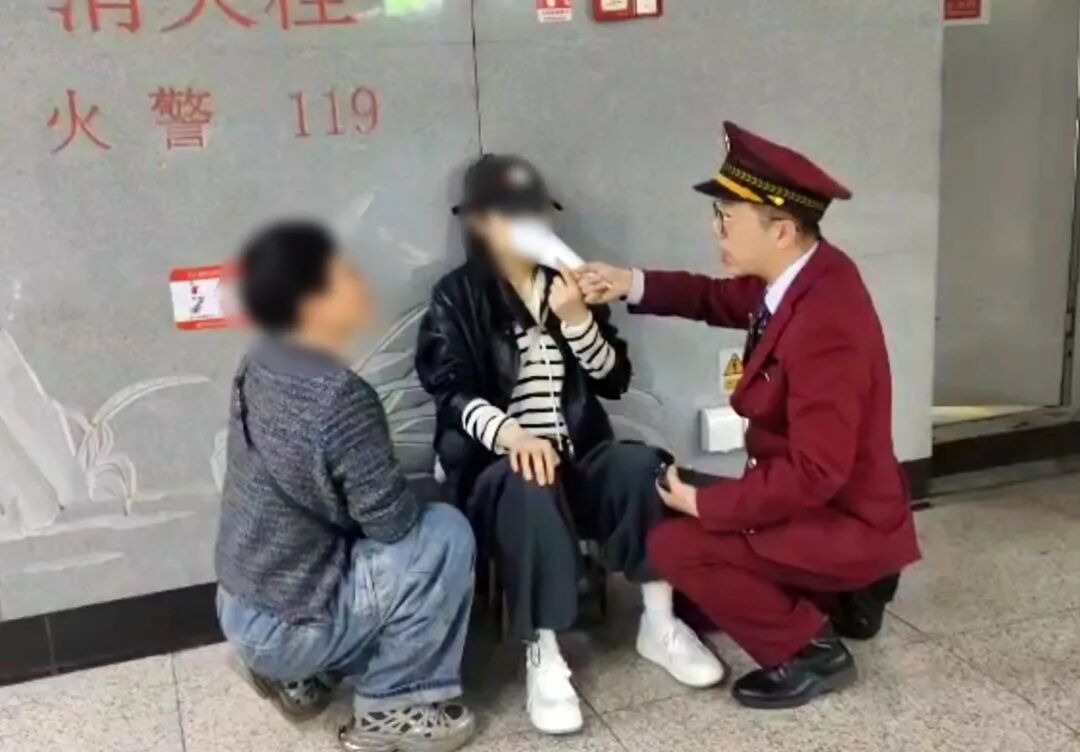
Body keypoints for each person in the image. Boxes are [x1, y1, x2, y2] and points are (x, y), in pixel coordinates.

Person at [576, 122, 921, 710]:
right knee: (695, 577)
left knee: (675, 546)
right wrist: (627, 283)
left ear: (781, 230)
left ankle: (811, 652)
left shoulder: (825, 323)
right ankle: (838, 598)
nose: (716, 230)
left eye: (727, 218)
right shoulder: (807, 276)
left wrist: (707, 506)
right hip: (826, 508)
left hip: (844, 521)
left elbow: (816, 472)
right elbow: (715, 299)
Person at [415, 155, 725, 735]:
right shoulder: (456, 296)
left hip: (578, 456)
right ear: (480, 223)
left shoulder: (565, 284)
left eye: (536, 213)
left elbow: (613, 379)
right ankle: (545, 651)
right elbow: (449, 392)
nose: (530, 225)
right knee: (531, 481)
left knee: (642, 467)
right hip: (498, 476)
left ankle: (660, 622)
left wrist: (579, 319)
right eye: (513, 215)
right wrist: (512, 436)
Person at [214, 221, 477, 752]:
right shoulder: (340, 397)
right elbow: (392, 526)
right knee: (446, 533)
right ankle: (392, 707)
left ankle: (297, 678)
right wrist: (432, 494)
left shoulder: (259, 358)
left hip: (237, 604)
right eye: (344, 278)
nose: (360, 285)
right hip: (286, 628)